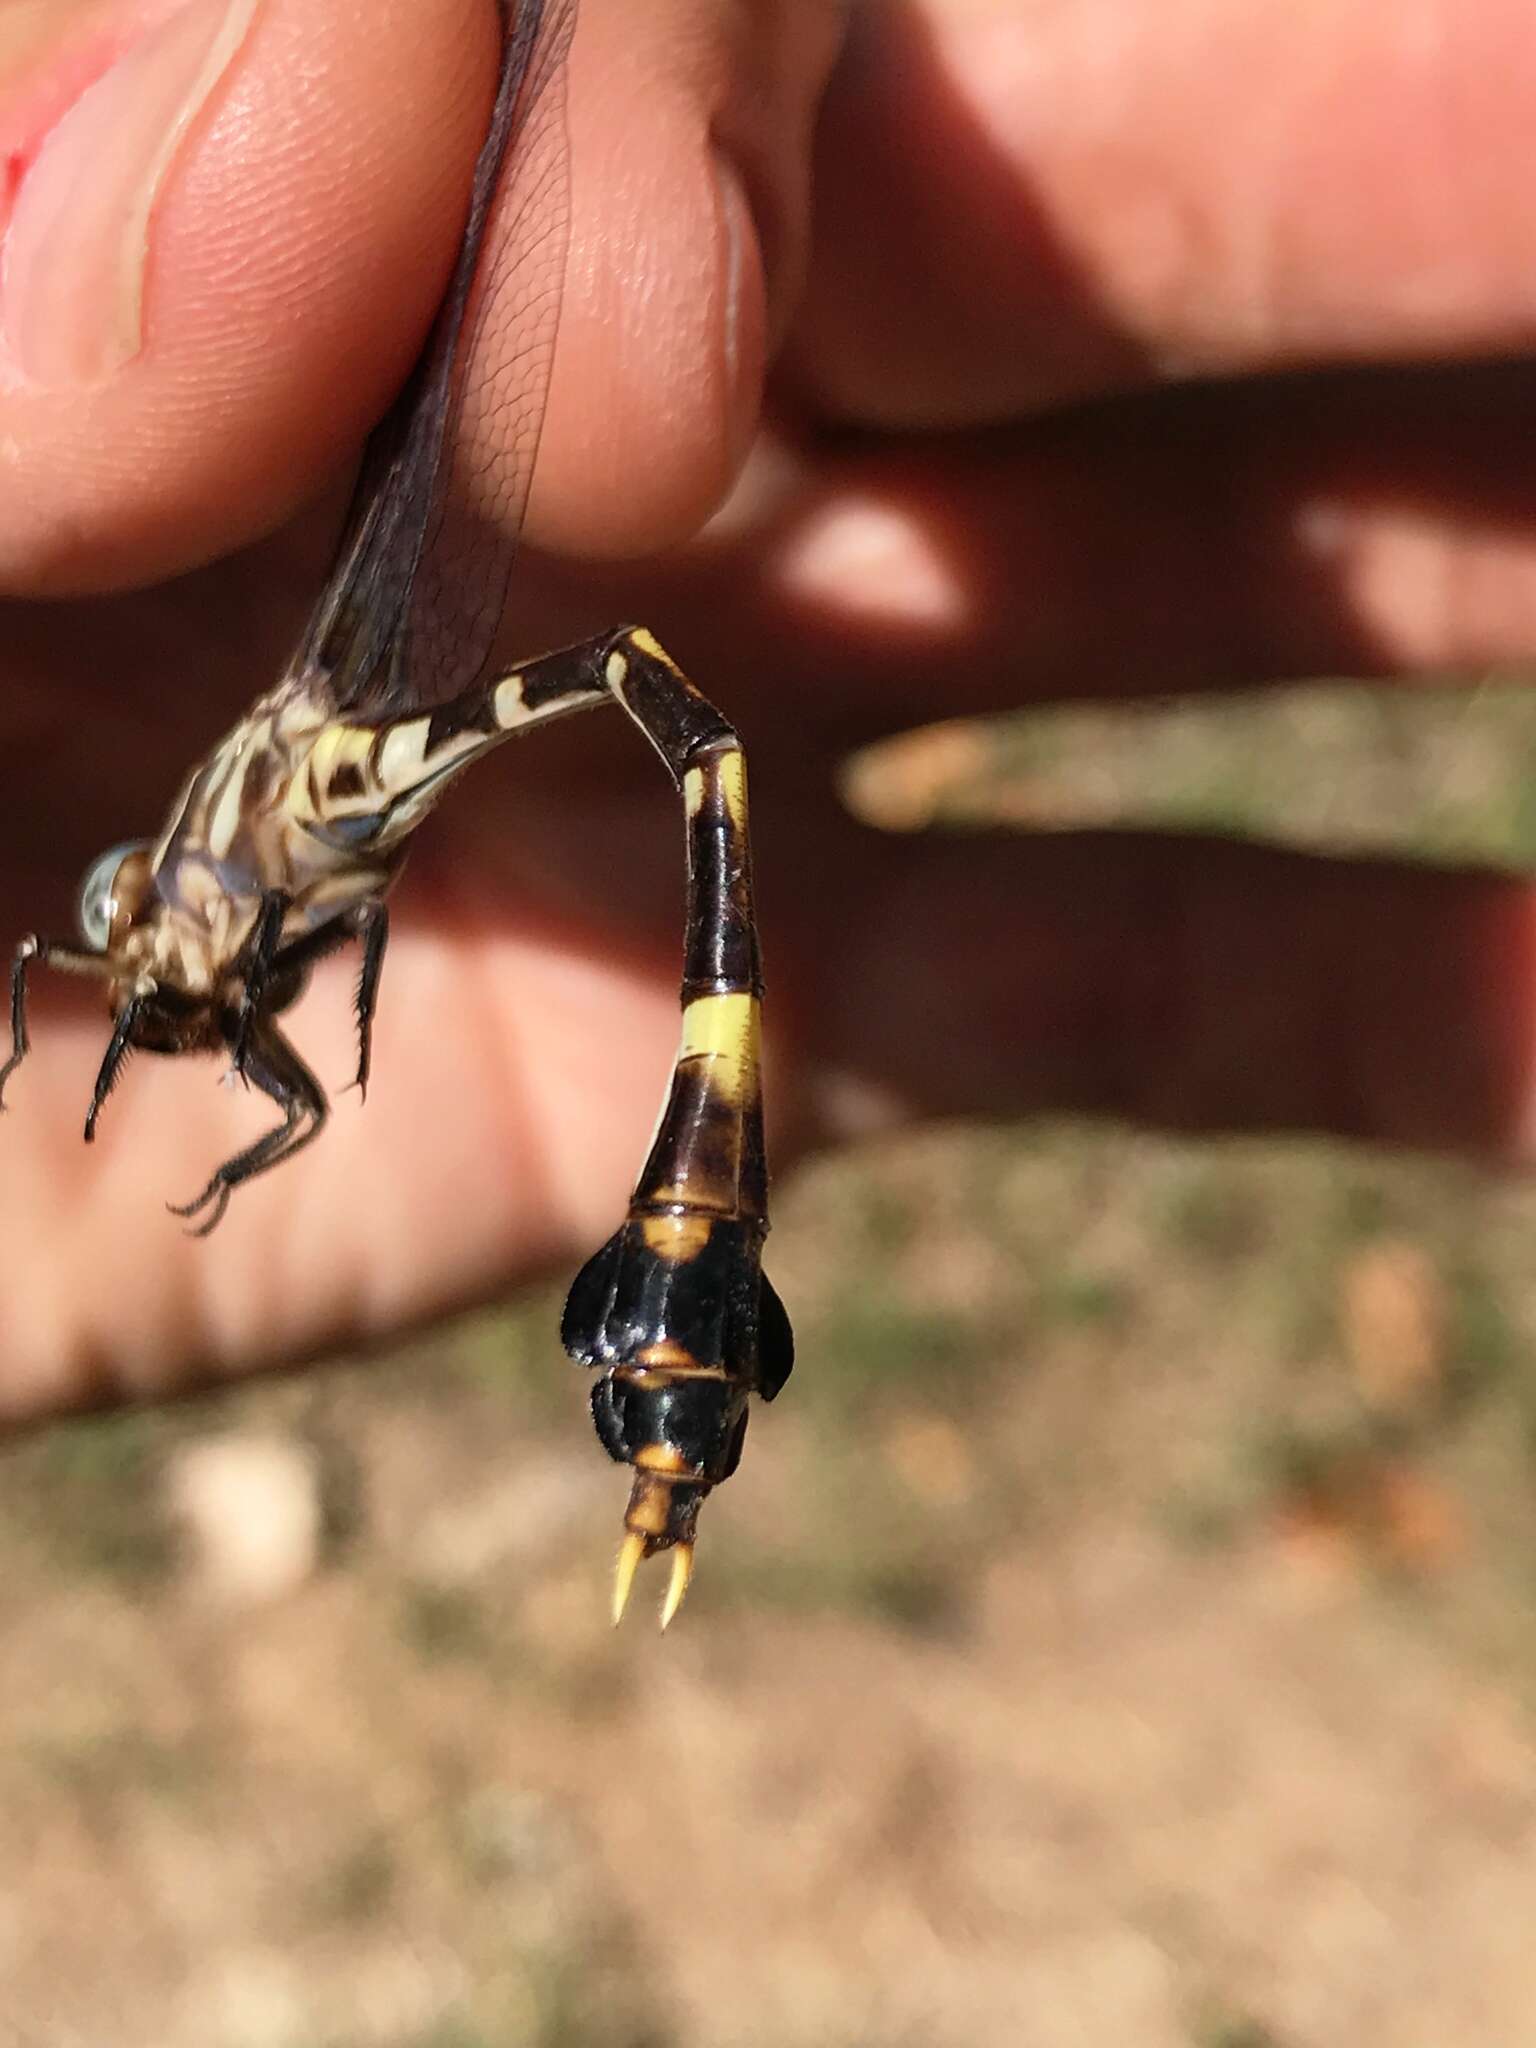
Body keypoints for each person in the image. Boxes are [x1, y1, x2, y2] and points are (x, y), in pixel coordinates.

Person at [2, 0, 1532, 1413]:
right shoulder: (273, 885)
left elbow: (344, 937)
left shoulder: (287, 785)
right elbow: (334, 946)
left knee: (564, 167)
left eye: (138, 898)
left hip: (542, 678)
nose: (148, 933)